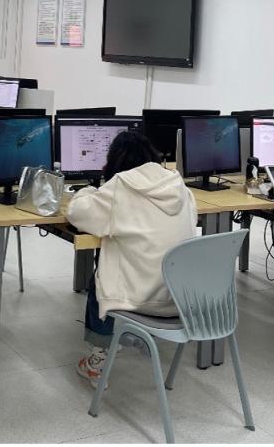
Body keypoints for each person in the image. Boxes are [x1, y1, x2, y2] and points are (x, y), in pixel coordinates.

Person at [66, 130, 198, 386]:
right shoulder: (179, 186)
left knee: (101, 275)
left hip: (136, 301)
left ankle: (98, 361)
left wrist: (86, 191)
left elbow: (78, 214)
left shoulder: (120, 187)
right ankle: (138, 338)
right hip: (180, 297)